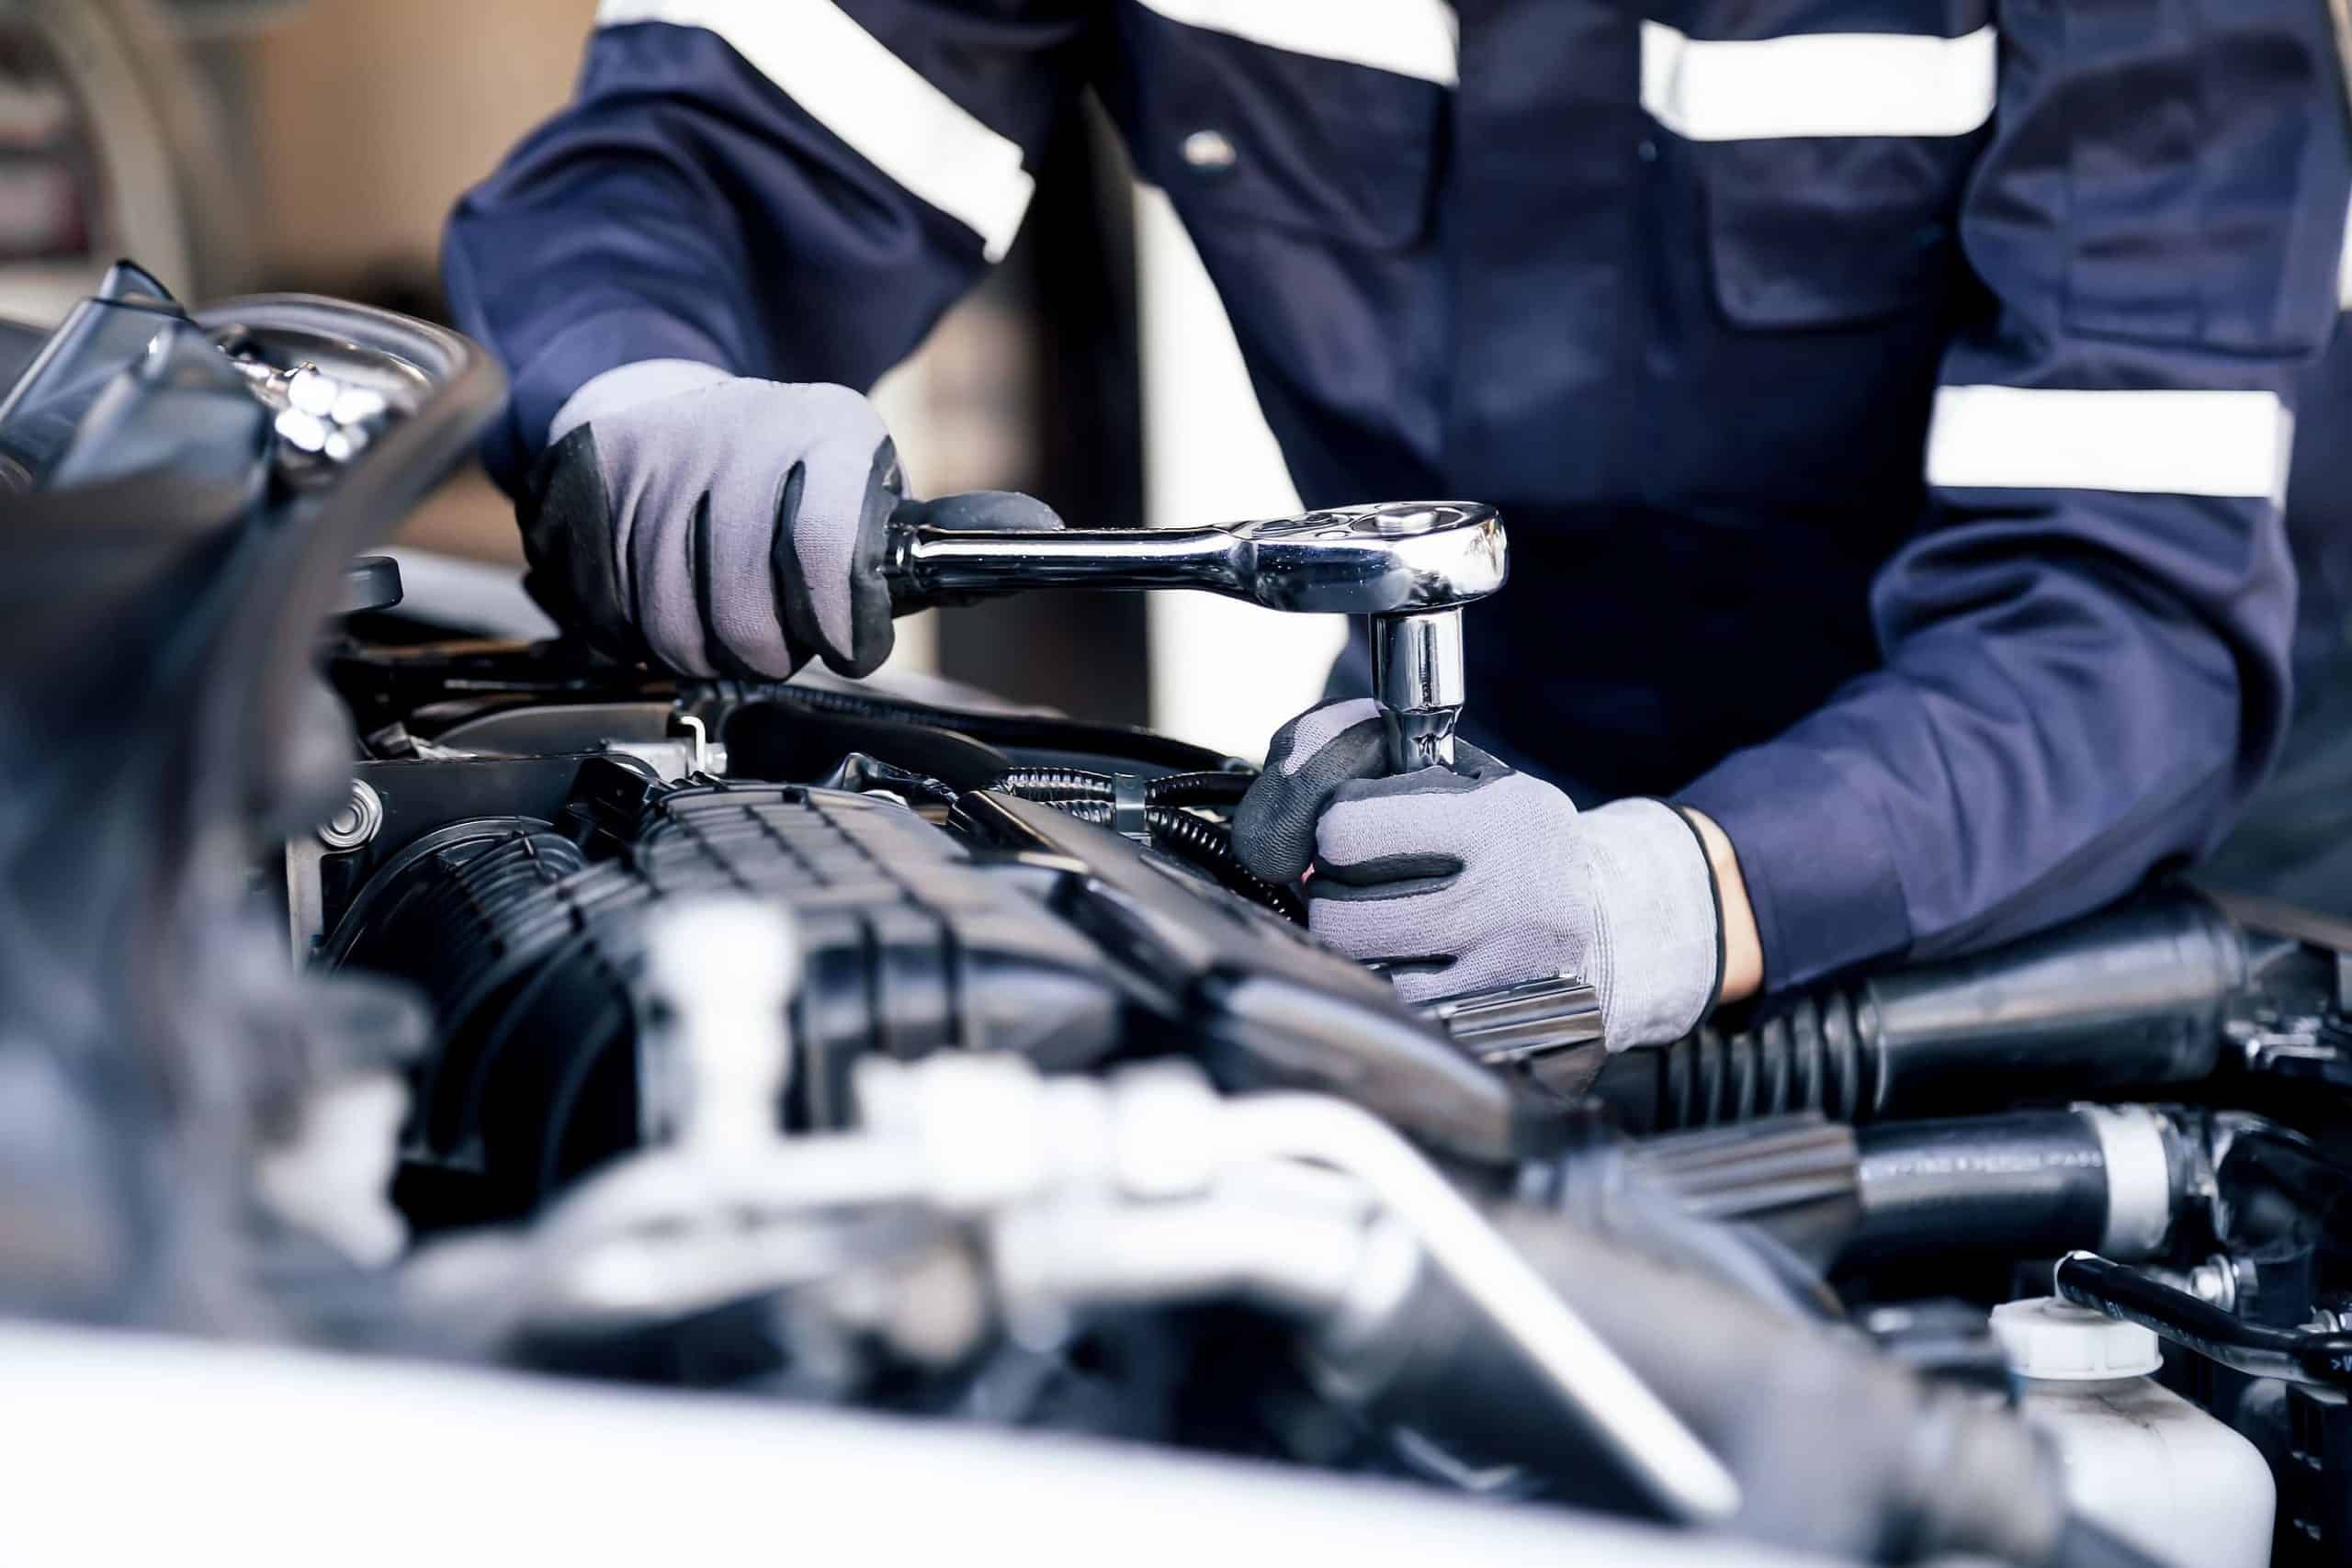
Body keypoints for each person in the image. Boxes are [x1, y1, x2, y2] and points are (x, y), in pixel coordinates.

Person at [447, 2, 2352, 1052]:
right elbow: (697, 157)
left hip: (2145, 764)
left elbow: (2119, 613)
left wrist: (1677, 899)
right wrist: (640, 389)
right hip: (1532, 756)